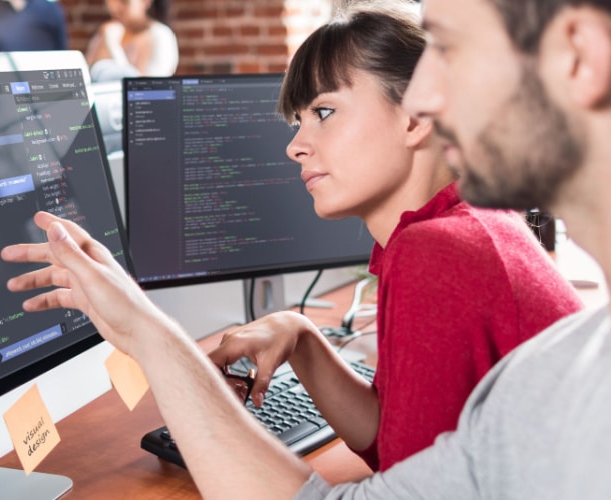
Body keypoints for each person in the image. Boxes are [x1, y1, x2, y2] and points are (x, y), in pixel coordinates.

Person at [2, 0, 611, 496]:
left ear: (583, 56)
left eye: (450, 47)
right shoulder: (540, 352)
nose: (431, 93)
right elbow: (402, 453)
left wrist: (153, 336)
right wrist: (304, 337)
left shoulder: (444, 253)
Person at [210, 3, 581, 473]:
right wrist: (303, 337)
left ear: (416, 116)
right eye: (297, 121)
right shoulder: (459, 223)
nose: (294, 146)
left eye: (324, 111)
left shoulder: (436, 251)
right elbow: (393, 445)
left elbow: (405, 485)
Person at [85, 0, 178, 80]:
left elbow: (150, 87)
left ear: (145, 1)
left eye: (124, 2)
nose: (115, 8)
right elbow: (88, 77)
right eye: (111, 1)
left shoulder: (160, 35)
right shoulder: (107, 32)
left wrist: (113, 45)